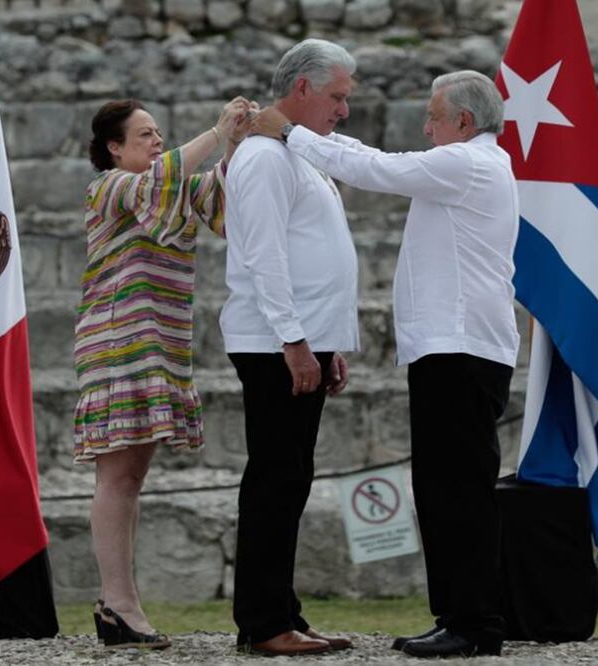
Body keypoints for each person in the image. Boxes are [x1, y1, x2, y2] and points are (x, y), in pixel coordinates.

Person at [252, 70, 520, 658]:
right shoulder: (464, 164)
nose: (426, 127)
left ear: (464, 123)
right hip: (449, 349)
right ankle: (457, 614)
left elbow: (375, 170)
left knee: (459, 489)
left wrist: (290, 132)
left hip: (462, 349)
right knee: (441, 485)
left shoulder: (468, 164)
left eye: (433, 116)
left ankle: (476, 623)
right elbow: (375, 156)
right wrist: (302, 133)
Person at [74, 96, 250, 648]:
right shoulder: (108, 188)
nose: (156, 143)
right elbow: (165, 178)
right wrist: (216, 132)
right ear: (114, 148)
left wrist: (239, 144)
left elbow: (221, 204)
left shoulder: (172, 185)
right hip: (115, 343)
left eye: (158, 133)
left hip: (161, 344)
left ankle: (118, 602)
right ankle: (118, 602)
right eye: (145, 135)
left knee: (131, 478)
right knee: (117, 477)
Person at [220, 38, 360, 657]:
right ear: (301, 88)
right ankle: (264, 621)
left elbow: (314, 256)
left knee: (291, 476)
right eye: (337, 96)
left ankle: (282, 611)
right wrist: (295, 341)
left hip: (301, 340)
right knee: (277, 478)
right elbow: (265, 258)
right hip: (274, 343)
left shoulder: (300, 155)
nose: (344, 109)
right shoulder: (265, 159)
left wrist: (327, 343)